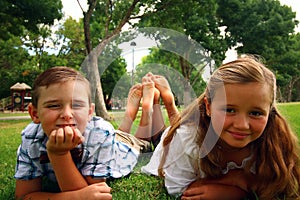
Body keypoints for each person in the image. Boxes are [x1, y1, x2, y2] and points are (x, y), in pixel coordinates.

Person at [141, 56, 300, 199]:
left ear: (269, 111)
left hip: (192, 129)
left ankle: (166, 104)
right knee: (152, 139)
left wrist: (239, 183)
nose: (242, 125)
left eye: (255, 113)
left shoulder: (275, 138)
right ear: (208, 107)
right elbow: (178, 189)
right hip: (169, 145)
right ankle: (159, 103)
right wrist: (234, 185)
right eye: (229, 110)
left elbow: (285, 185)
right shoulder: (186, 137)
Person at [13, 67, 172, 200]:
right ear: (34, 114)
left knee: (141, 142)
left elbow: (91, 189)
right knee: (117, 135)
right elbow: (25, 195)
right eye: (54, 105)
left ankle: (148, 111)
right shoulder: (31, 138)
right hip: (108, 139)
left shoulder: (100, 132)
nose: (67, 114)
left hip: (120, 149)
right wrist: (76, 196)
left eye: (76, 105)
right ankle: (134, 114)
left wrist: (59, 155)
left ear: (90, 112)